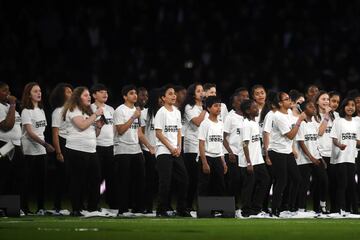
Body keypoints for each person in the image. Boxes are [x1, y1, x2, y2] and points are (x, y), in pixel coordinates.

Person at [62, 86, 104, 216]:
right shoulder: (73, 109)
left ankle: (92, 207)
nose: (89, 97)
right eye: (85, 95)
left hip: (91, 150)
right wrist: (95, 115)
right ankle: (76, 208)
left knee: (96, 179)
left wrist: (98, 127)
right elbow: (81, 126)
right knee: (77, 180)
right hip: (76, 150)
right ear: (78, 97)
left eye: (88, 95)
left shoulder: (87, 111)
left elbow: (94, 133)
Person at [113, 85, 154, 215]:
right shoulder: (120, 110)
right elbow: (120, 130)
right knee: (124, 181)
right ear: (125, 96)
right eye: (131, 93)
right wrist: (133, 117)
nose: (135, 95)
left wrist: (149, 146)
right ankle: (123, 209)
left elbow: (140, 133)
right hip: (123, 150)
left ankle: (138, 207)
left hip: (136, 150)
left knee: (140, 181)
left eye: (135, 93)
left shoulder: (137, 110)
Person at [154, 84, 190, 217]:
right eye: (170, 94)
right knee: (165, 181)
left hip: (176, 151)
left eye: (174, 93)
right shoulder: (161, 112)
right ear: (163, 98)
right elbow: (158, 133)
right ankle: (161, 209)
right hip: (164, 151)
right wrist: (171, 147)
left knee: (184, 179)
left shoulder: (176, 111)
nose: (173, 96)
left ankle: (181, 208)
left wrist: (179, 147)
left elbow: (179, 131)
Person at [268, 92, 305, 216]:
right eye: (286, 99)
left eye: (289, 98)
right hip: (277, 152)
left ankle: (288, 207)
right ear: (280, 103)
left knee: (297, 179)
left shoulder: (288, 113)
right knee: (282, 181)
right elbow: (290, 135)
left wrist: (293, 148)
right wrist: (299, 120)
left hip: (287, 151)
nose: (290, 100)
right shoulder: (278, 116)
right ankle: (275, 210)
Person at [21, 82, 55, 215]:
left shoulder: (41, 110)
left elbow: (41, 131)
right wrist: (45, 144)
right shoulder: (25, 111)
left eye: (39, 91)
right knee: (27, 181)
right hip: (29, 151)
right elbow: (30, 132)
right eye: (35, 91)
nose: (39, 93)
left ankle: (41, 208)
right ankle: (24, 208)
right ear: (28, 95)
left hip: (41, 151)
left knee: (41, 181)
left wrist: (44, 146)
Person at [295, 101, 329, 213]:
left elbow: (315, 142)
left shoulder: (314, 123)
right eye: (310, 107)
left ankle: (322, 205)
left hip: (316, 157)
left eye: (314, 106)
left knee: (324, 180)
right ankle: (301, 209)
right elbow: (301, 143)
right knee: (304, 185)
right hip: (303, 160)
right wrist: (311, 158)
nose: (314, 108)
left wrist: (320, 158)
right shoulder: (301, 124)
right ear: (304, 110)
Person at [239, 99, 270, 217]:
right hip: (249, 161)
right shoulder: (246, 124)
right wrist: (248, 162)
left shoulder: (254, 123)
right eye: (254, 108)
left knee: (266, 180)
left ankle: (256, 208)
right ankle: (246, 211)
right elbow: (244, 144)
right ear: (247, 111)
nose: (257, 109)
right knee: (248, 186)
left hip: (258, 160)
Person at [331, 97, 360, 215]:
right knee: (342, 184)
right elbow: (334, 139)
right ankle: (340, 209)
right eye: (348, 105)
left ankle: (354, 210)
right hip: (340, 158)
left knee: (352, 184)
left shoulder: (357, 122)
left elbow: (357, 141)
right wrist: (339, 145)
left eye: (352, 105)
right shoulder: (338, 121)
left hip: (352, 158)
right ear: (344, 107)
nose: (350, 107)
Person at [90, 83, 117, 209]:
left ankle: (111, 202)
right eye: (101, 92)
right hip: (96, 146)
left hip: (110, 147)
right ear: (94, 95)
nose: (105, 94)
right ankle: (94, 203)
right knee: (96, 177)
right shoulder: (89, 108)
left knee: (110, 177)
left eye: (106, 92)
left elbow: (114, 128)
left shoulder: (111, 109)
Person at [0, 82, 25, 215]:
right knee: (3, 175)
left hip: (15, 145)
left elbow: (17, 128)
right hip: (3, 145)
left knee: (15, 177)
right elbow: (7, 126)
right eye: (4, 91)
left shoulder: (10, 107)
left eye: (8, 90)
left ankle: (12, 209)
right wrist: (13, 105)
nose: (8, 93)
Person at [181, 83, 206, 210]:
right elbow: (197, 122)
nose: (202, 93)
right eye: (198, 91)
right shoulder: (188, 107)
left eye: (203, 91)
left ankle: (201, 206)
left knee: (202, 180)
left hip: (203, 147)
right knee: (192, 179)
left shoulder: (206, 107)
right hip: (191, 147)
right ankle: (187, 205)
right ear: (193, 94)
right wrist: (205, 110)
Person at [49, 83, 73, 213]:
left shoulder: (74, 110)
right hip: (63, 144)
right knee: (62, 176)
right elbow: (55, 134)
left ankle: (77, 205)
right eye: (68, 92)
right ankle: (57, 205)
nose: (71, 93)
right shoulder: (58, 111)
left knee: (73, 177)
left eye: (72, 91)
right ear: (61, 95)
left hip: (73, 144)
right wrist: (58, 152)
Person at [198, 96, 227, 197]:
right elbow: (201, 144)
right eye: (215, 106)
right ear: (209, 108)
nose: (218, 108)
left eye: (219, 106)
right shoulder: (205, 124)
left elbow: (220, 144)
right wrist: (204, 162)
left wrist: (223, 162)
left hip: (217, 158)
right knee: (204, 185)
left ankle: (217, 209)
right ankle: (202, 210)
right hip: (207, 157)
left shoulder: (221, 124)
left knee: (220, 185)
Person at [222, 89, 248, 208]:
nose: (241, 101)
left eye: (243, 99)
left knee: (244, 181)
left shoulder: (247, 117)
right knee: (234, 181)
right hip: (232, 154)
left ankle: (241, 206)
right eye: (238, 100)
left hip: (244, 155)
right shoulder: (230, 117)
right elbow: (223, 137)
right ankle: (231, 206)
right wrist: (230, 152)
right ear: (233, 104)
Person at [314, 91, 337, 212]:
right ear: (317, 101)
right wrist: (327, 116)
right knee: (323, 181)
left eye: (328, 99)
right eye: (323, 99)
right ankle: (321, 206)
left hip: (333, 154)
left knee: (332, 182)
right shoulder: (314, 116)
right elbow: (320, 132)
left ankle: (334, 208)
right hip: (319, 154)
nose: (326, 101)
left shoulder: (335, 116)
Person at [140, 88, 162, 213]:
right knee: (149, 181)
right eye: (160, 97)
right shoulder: (145, 113)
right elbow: (141, 134)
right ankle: (146, 206)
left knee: (161, 181)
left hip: (162, 151)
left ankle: (162, 206)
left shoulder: (165, 113)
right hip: (149, 151)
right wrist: (149, 147)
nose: (162, 100)